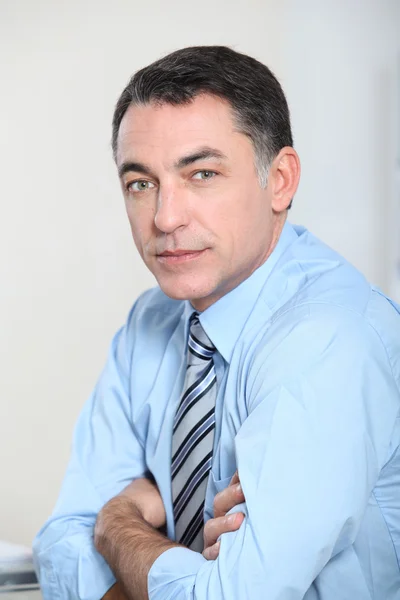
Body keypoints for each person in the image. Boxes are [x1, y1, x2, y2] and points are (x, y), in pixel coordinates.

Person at [33, 45, 400, 600]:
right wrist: (171, 570)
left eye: (201, 173)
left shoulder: (330, 336)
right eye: (140, 183)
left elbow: (233, 595)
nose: (165, 217)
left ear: (279, 180)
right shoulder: (150, 322)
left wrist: (116, 525)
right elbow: (60, 543)